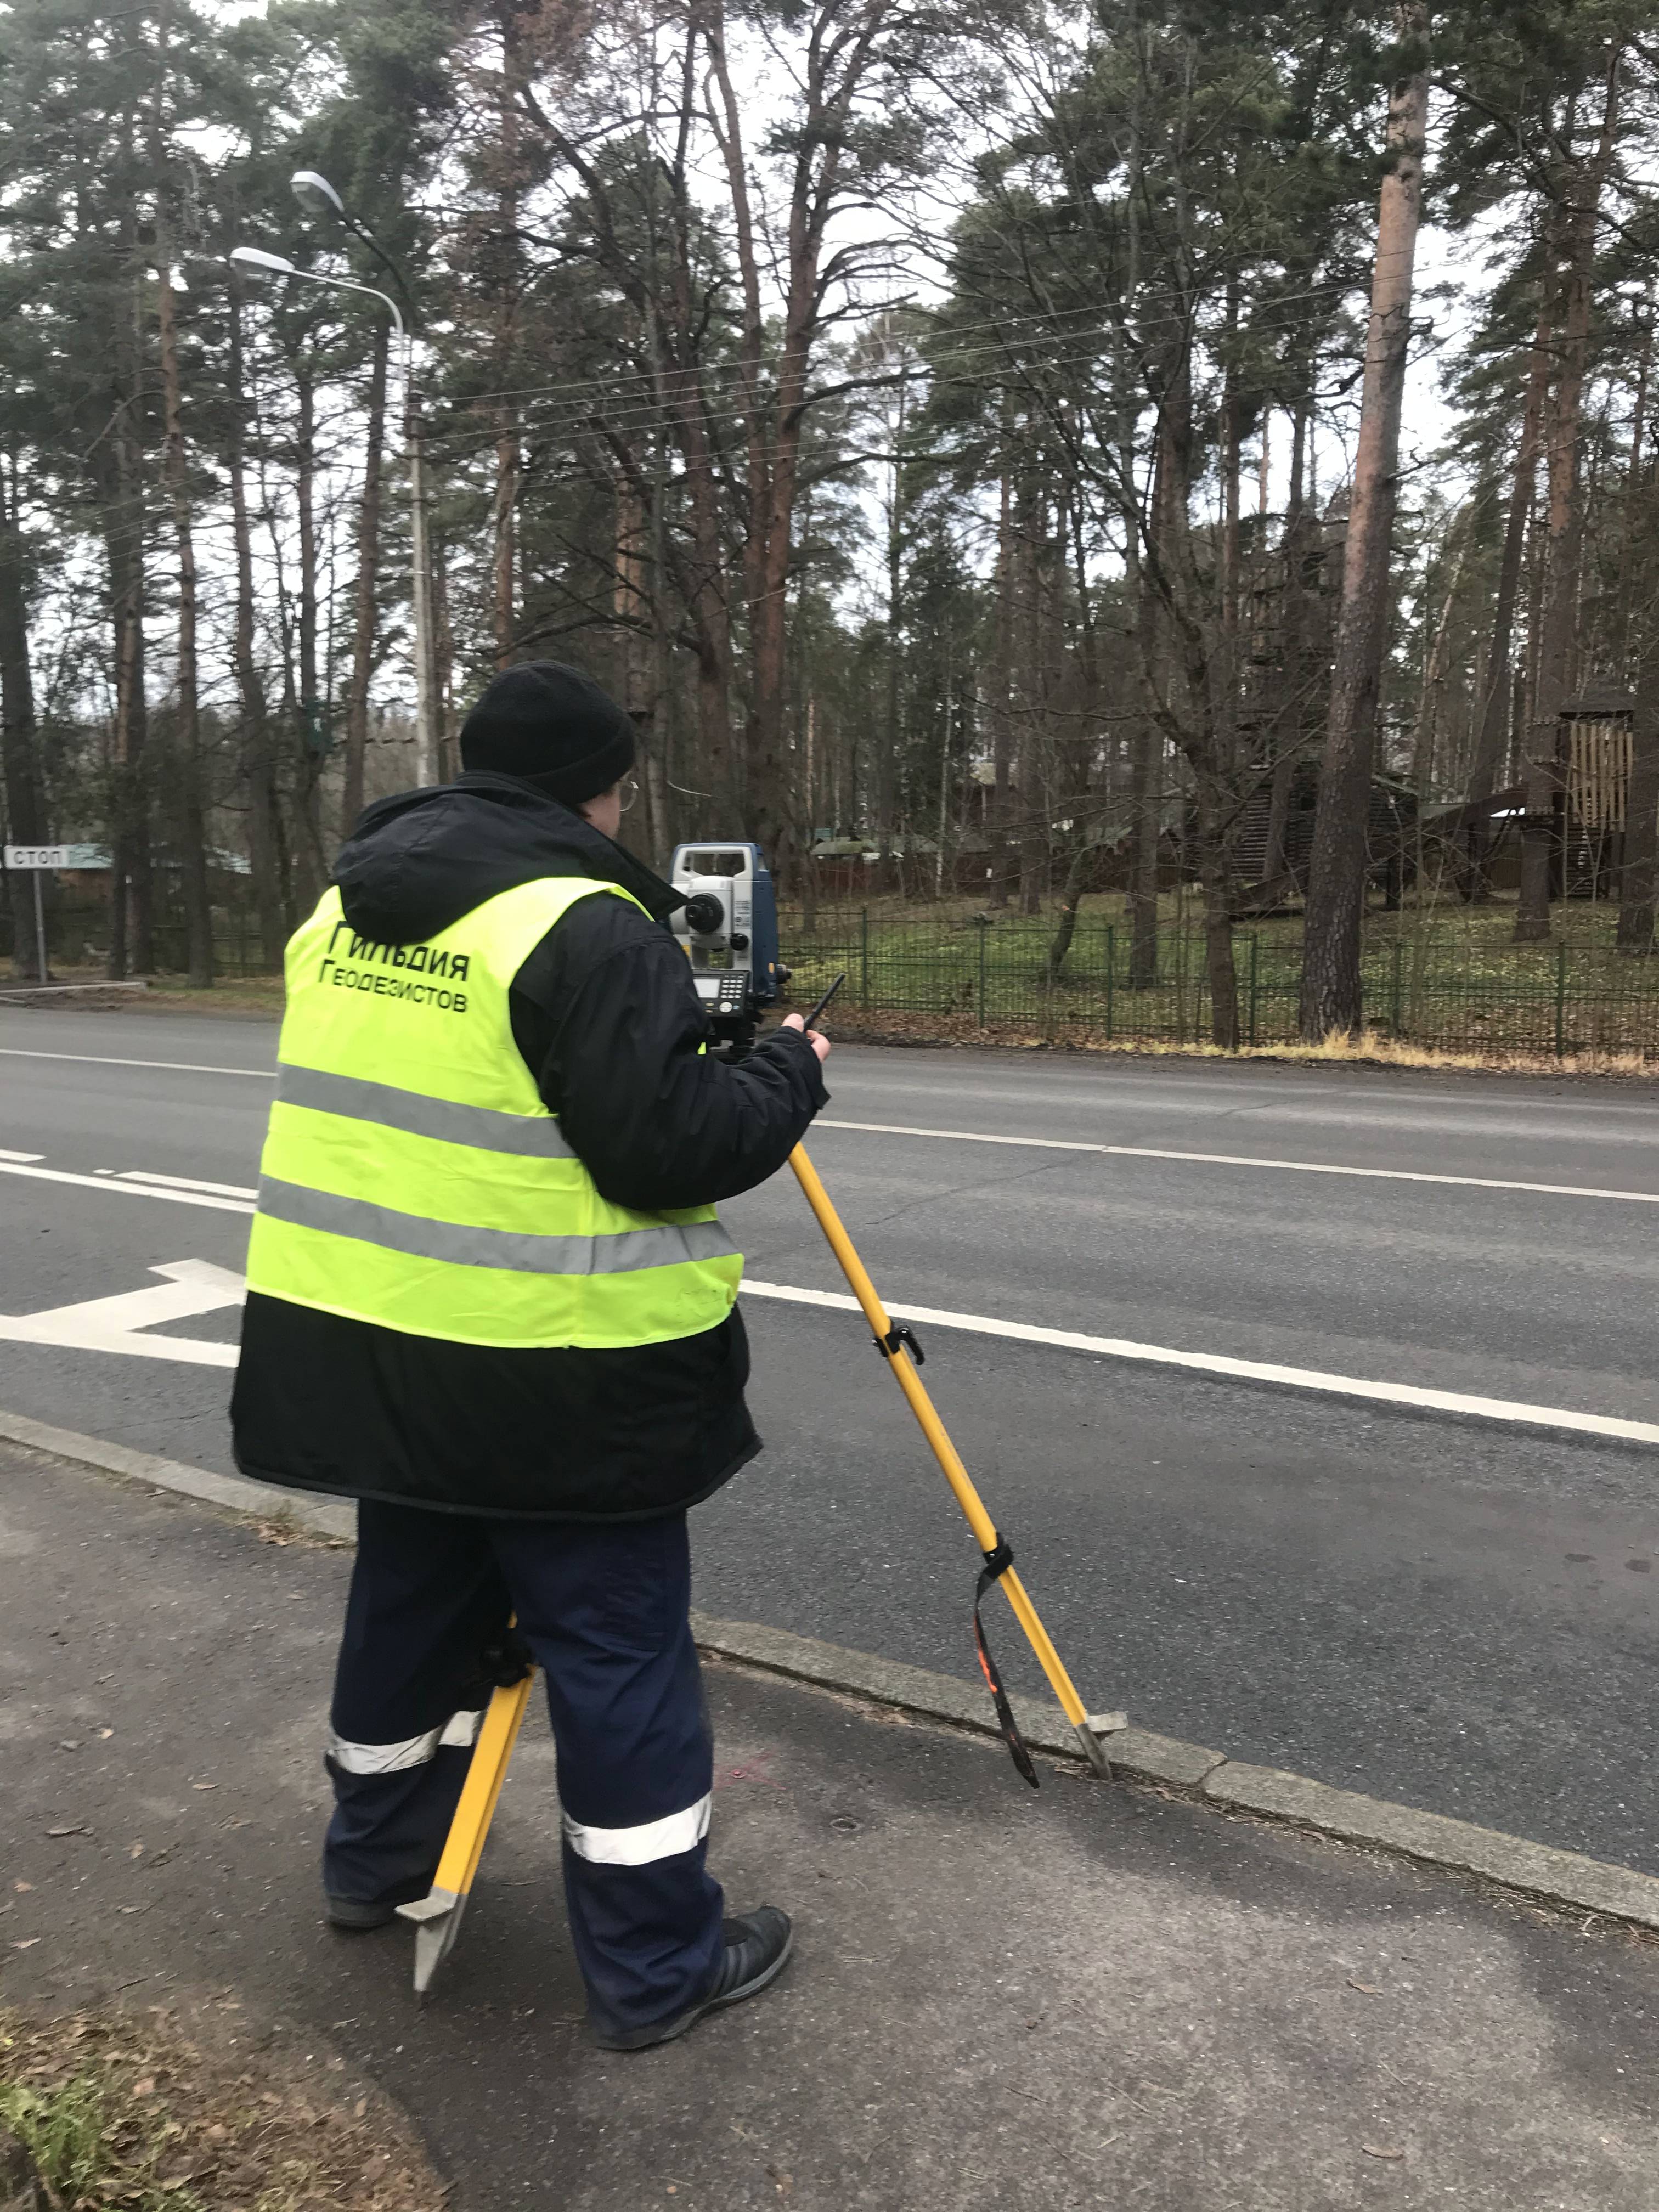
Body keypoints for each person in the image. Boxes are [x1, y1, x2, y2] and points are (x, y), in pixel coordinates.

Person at [230, 661, 830, 2051]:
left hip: (371, 1359)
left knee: (405, 1622)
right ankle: (656, 1968)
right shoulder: (587, 922)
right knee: (617, 1667)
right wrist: (786, 1069)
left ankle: (370, 1869)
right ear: (603, 785)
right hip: (559, 1382)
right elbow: (670, 1149)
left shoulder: (343, 905)